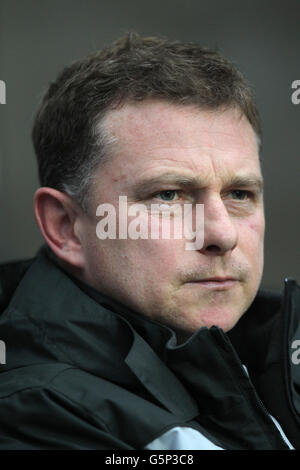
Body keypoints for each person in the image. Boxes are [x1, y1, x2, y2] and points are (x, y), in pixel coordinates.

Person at [0, 32, 299, 450]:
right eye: (168, 195)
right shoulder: (32, 414)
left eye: (239, 195)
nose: (222, 234)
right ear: (65, 226)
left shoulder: (276, 361)